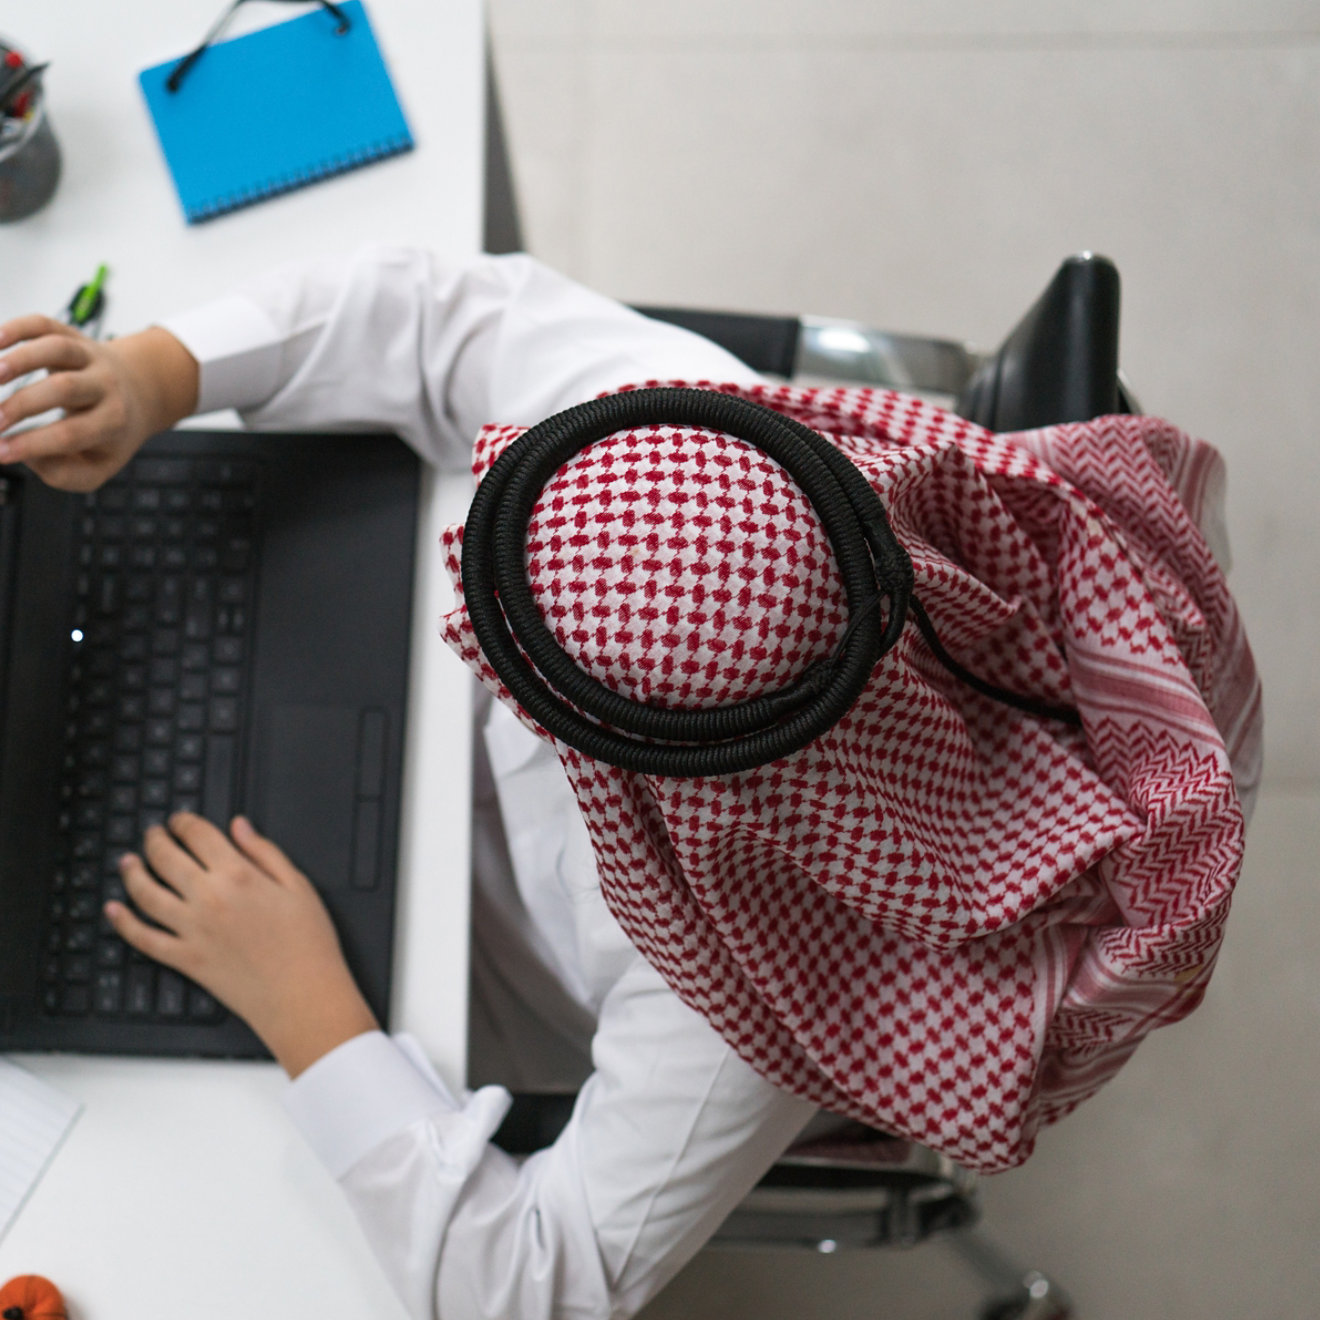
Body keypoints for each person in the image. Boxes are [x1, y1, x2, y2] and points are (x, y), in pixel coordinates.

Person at [0, 247, 1262, 1320]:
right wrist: (157, 373)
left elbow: (538, 1281)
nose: (465, 629)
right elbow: (445, 311)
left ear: (670, 786)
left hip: (416, 959)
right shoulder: (677, 439)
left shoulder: (756, 1001)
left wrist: (313, 1015)